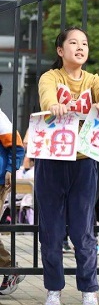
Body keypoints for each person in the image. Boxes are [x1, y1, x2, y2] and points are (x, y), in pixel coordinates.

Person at [36, 27, 99, 305]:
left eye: (84, 43)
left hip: (84, 163)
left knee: (83, 231)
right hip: (52, 161)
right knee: (51, 231)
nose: (80, 47)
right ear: (61, 51)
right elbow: (47, 96)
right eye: (73, 43)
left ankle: (89, 290)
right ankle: (53, 290)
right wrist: (54, 106)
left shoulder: (94, 80)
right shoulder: (51, 77)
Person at [0, 81, 25, 296]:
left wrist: (10, 169)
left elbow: (17, 146)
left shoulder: (0, 119)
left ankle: (9, 267)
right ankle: (10, 267)